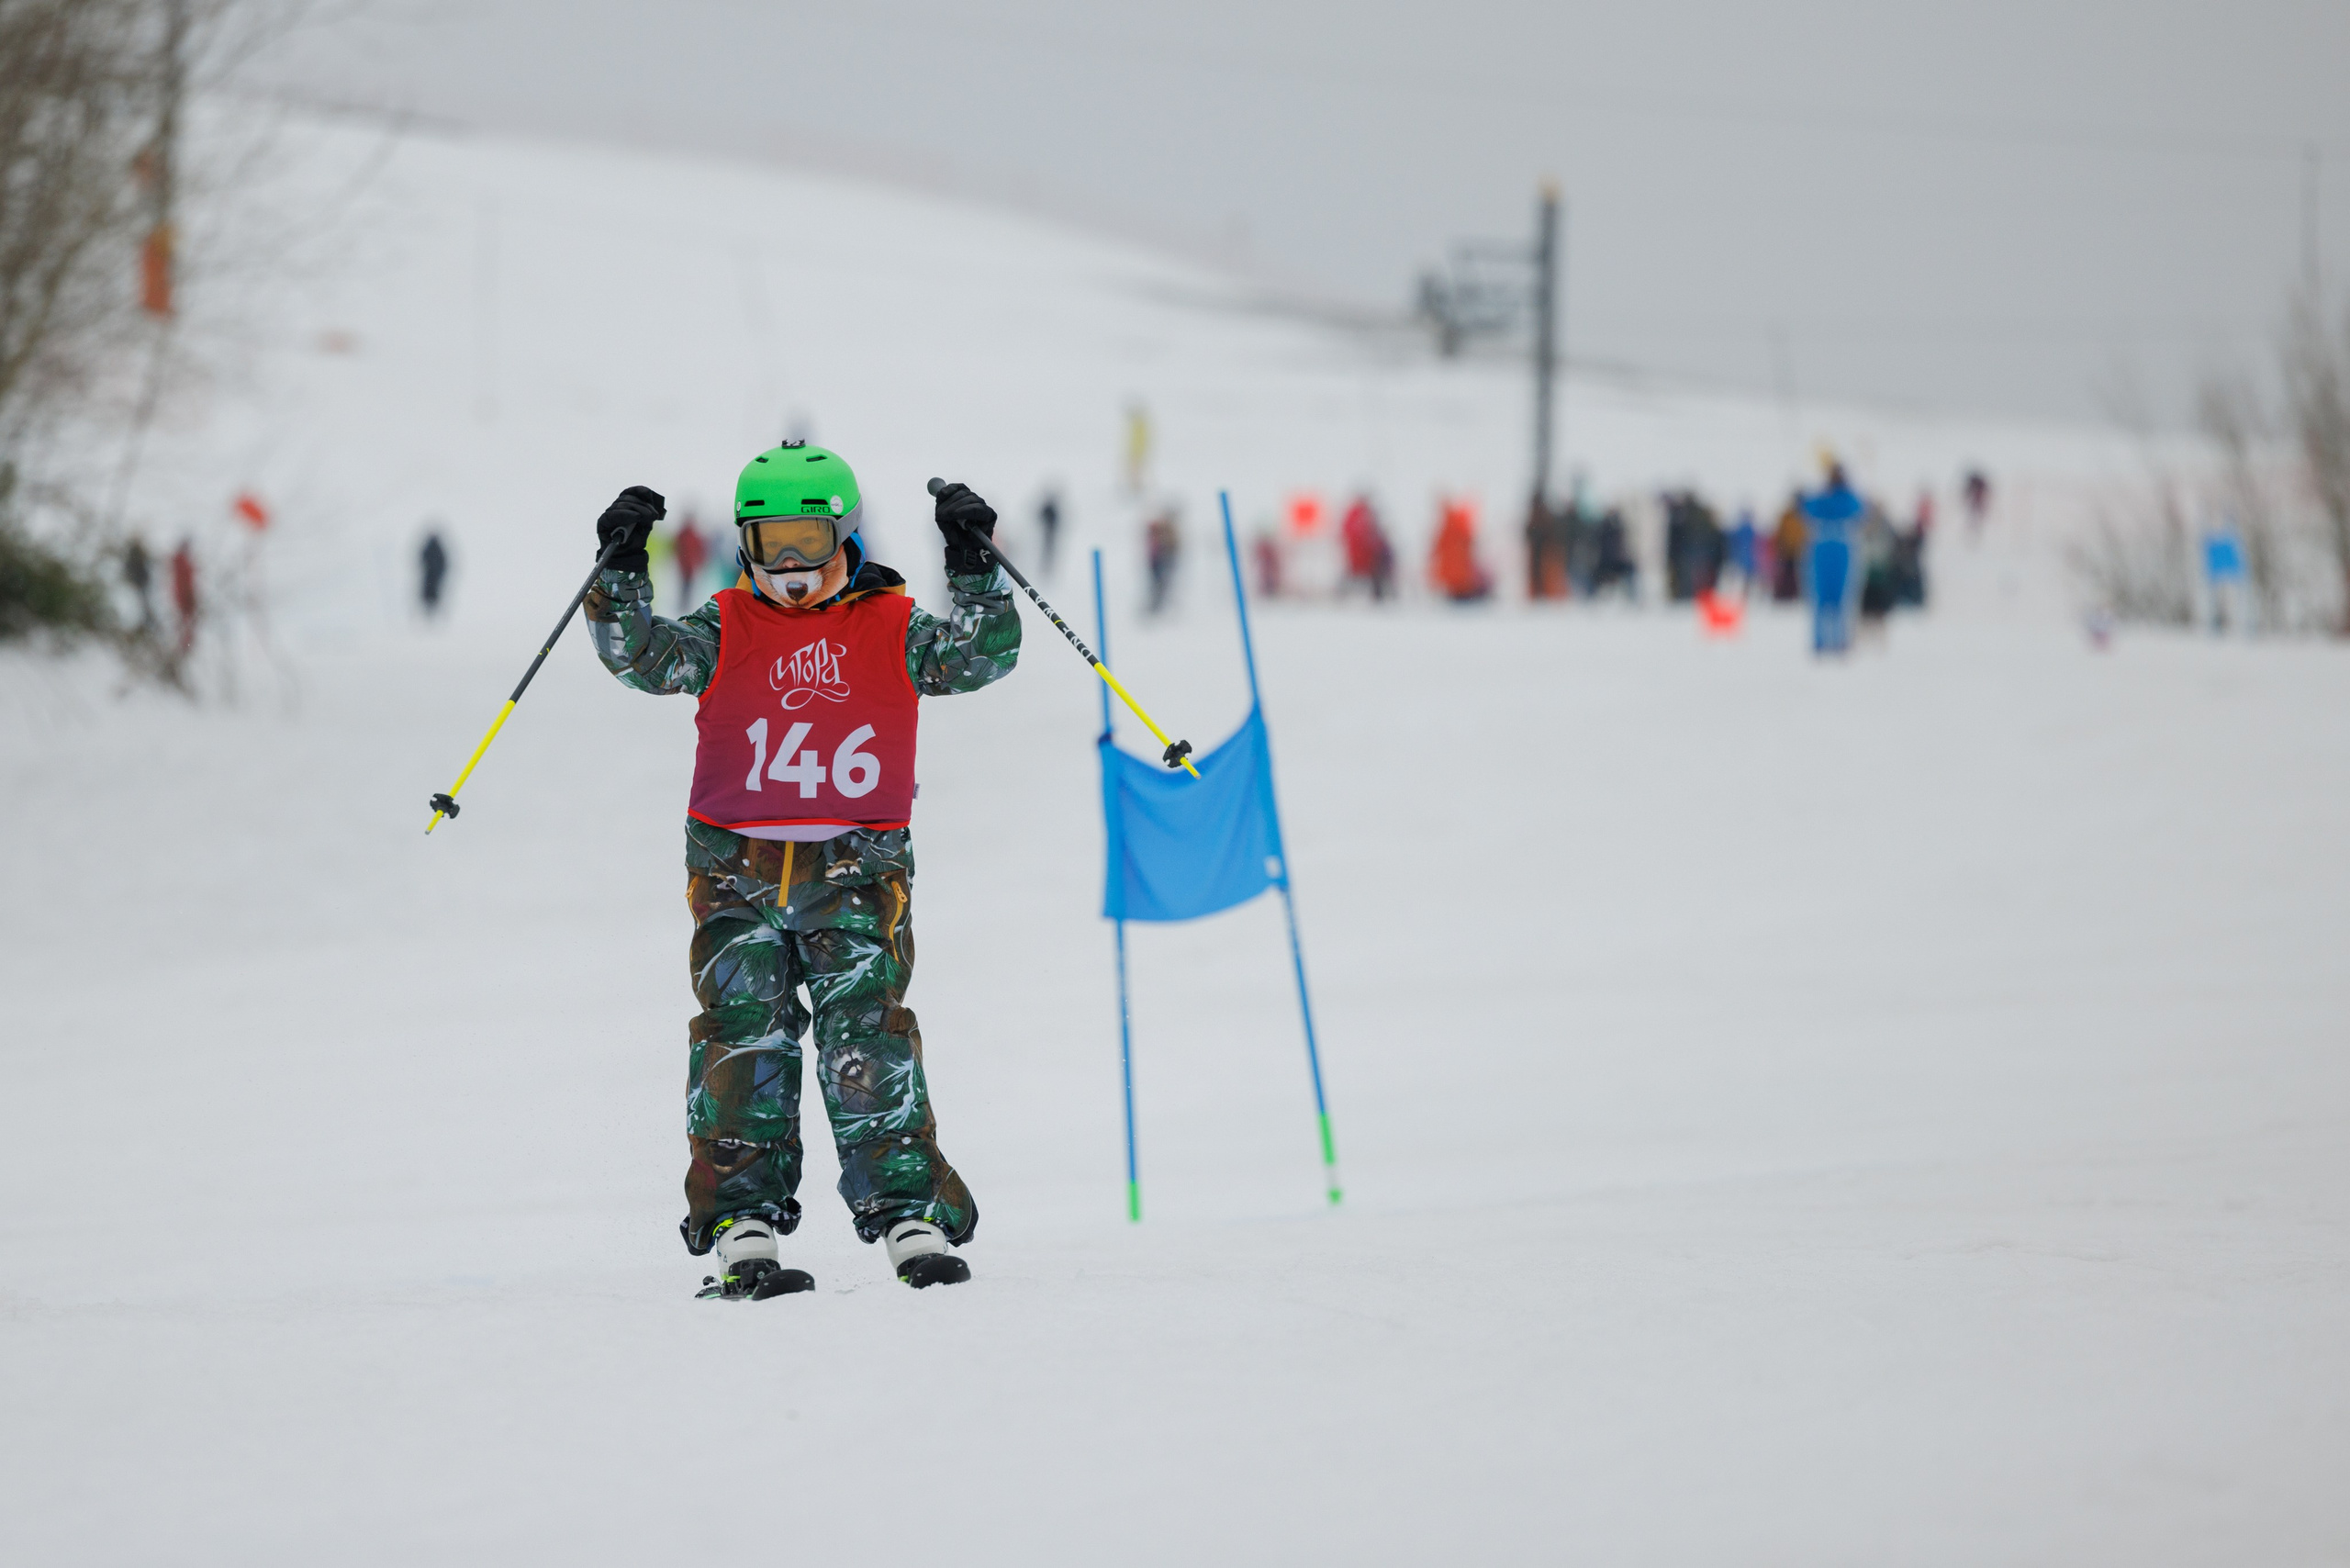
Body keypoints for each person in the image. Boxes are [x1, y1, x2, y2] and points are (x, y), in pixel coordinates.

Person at [584, 444, 1020, 1297]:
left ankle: (907, 1211)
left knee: (867, 1039)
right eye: (771, 542)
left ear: (844, 536)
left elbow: (981, 657)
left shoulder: (892, 625)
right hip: (736, 871)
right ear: (744, 541)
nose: (790, 566)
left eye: (809, 541)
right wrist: (621, 567)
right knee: (743, 1039)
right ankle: (741, 1222)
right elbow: (638, 657)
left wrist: (975, 567)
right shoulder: (722, 626)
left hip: (855, 868)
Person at [1801, 464, 1863, 655]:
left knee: (1841, 599)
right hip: (1824, 551)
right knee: (1820, 598)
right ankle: (1821, 641)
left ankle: (1840, 640)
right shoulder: (1823, 497)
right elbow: (1807, 509)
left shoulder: (1845, 498)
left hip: (1839, 551)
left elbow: (1858, 509)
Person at [1428, 497, 1492, 602]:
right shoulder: (1460, 528)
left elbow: (1436, 550)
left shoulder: (1447, 529)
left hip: (1454, 580)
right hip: (1463, 580)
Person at [1144, 507, 1181, 614]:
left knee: (1162, 583)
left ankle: (1160, 605)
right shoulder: (1157, 531)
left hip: (1163, 560)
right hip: (1155, 561)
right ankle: (1156, 605)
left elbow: (1172, 545)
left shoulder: (1168, 530)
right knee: (1157, 584)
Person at [168, 537, 197, 655]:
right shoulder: (180, 560)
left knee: (187, 621)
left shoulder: (183, 561)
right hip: (184, 596)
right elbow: (183, 580)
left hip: (187, 595)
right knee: (184, 621)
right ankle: (183, 644)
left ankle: (186, 644)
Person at [672, 512, 708, 605]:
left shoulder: (691, 535)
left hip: (689, 564)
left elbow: (699, 549)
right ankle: (683, 602)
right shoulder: (683, 534)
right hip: (684, 564)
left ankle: (686, 602)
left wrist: (699, 561)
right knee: (684, 583)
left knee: (688, 584)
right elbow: (676, 547)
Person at [122, 534, 155, 632]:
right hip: (140, 582)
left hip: (141, 582)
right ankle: (146, 620)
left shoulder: (136, 554)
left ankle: (147, 620)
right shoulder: (134, 554)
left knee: (144, 602)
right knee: (142, 602)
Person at [418, 529, 450, 618]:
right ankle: (428, 611)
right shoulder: (432, 548)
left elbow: (443, 561)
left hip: (434, 575)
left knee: (433, 592)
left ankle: (433, 610)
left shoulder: (435, 548)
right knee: (429, 592)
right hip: (430, 575)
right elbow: (423, 559)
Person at [1036, 490, 1061, 579]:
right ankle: (1044, 569)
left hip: (1050, 534)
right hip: (1045, 534)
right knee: (1045, 551)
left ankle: (1048, 570)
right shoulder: (1048, 508)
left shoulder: (1051, 509)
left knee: (1049, 551)